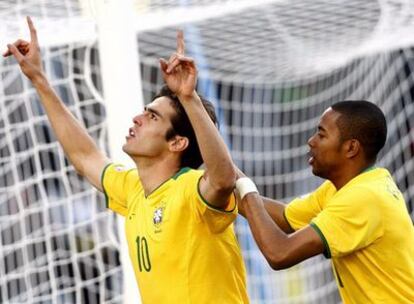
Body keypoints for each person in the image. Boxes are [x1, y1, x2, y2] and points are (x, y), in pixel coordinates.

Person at [4, 17, 249, 303]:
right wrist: (39, 78)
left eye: (153, 116)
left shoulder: (193, 189)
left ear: (177, 142)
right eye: (145, 111)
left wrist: (188, 97)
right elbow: (84, 156)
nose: (138, 117)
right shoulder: (134, 188)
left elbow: (223, 179)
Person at [235, 100, 414, 303]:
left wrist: (245, 188)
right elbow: (286, 218)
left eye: (321, 135)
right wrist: (228, 181)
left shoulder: (363, 198)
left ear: (351, 148)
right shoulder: (343, 188)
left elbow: (279, 253)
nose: (311, 141)